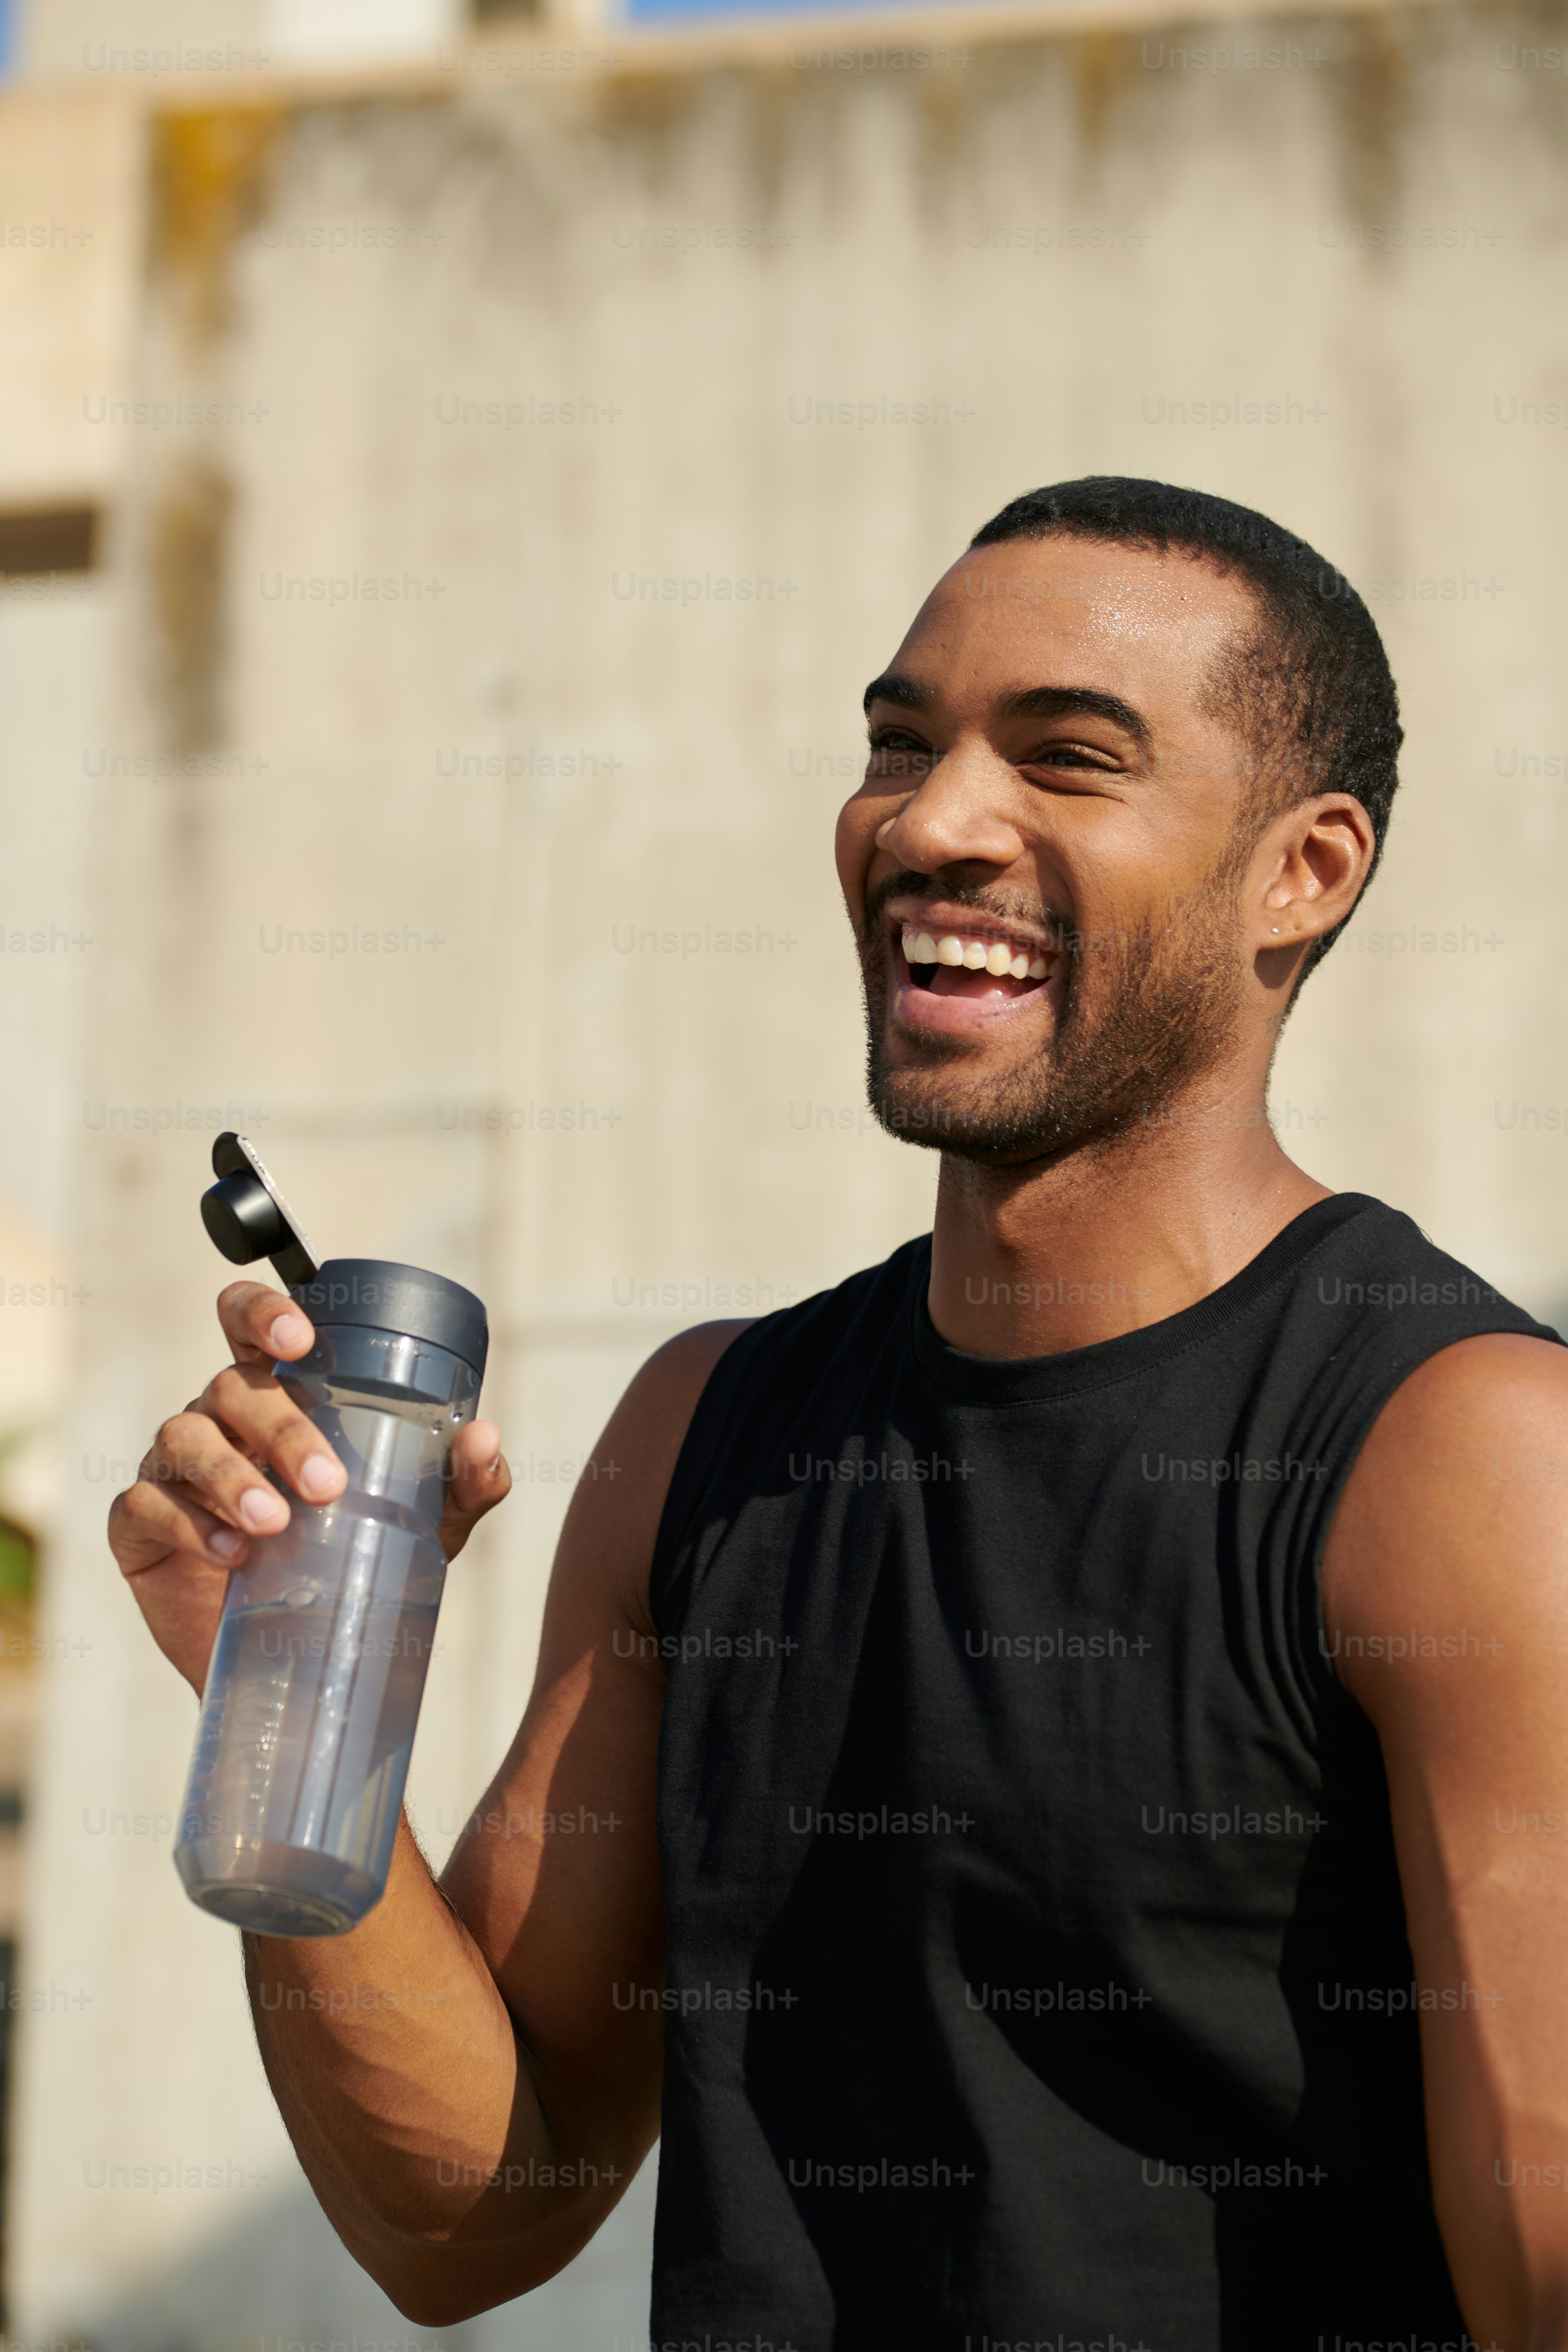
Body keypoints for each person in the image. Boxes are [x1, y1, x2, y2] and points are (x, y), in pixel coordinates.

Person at [109, 478, 1568, 2352]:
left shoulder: (1460, 1454)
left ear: (1305, 869)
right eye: (900, 742)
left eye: (1066, 758)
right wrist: (282, 1691)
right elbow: (476, 2213)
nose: (931, 821)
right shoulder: (709, 1431)